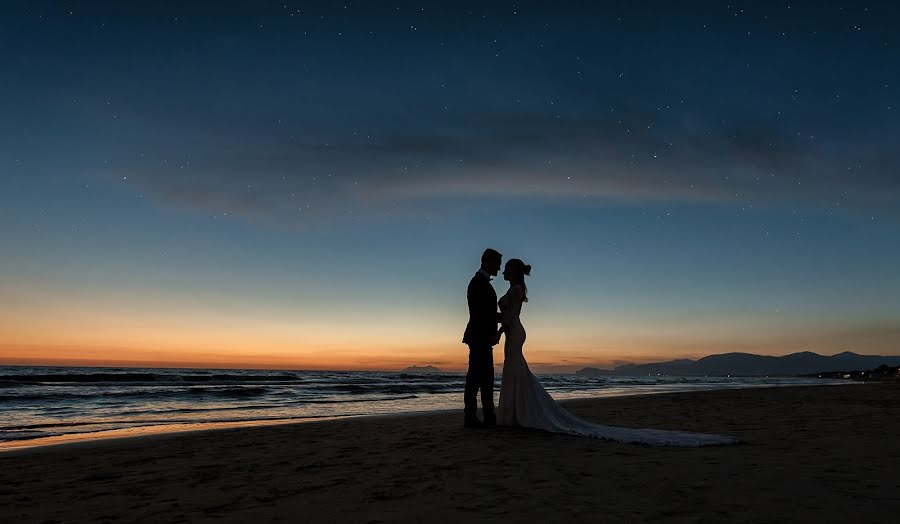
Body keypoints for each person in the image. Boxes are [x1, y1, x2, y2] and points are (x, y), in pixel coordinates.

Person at [496, 258, 738, 446]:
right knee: (515, 369)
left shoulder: (516, 290)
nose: (504, 272)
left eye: (506, 268)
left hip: (513, 332)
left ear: (513, 271)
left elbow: (512, 316)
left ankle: (514, 415)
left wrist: (498, 330)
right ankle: (515, 413)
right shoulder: (516, 289)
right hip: (513, 332)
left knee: (514, 368)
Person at [461, 248, 502, 428]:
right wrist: (492, 333)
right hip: (479, 337)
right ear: (489, 262)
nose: (499, 269)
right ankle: (473, 417)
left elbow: (488, 313)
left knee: (484, 378)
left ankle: (486, 417)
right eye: (498, 264)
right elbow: (480, 314)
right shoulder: (478, 283)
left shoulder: (481, 282)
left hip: (480, 336)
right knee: (478, 379)